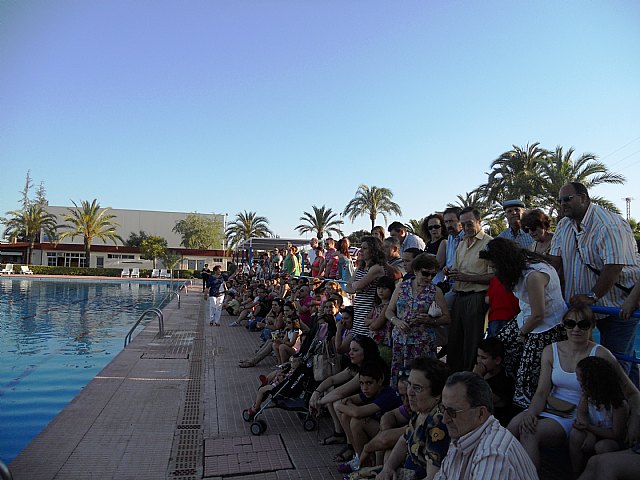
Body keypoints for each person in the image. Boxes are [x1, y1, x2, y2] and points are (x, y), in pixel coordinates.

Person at [507, 306, 640, 471]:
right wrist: (531, 413)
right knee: (513, 426)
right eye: (570, 324)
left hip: (577, 414)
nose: (576, 329)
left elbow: (631, 392)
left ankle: (529, 475)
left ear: (592, 326)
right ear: (564, 325)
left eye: (583, 324)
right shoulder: (551, 350)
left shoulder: (601, 354)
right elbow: (542, 391)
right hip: (551, 406)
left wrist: (635, 419)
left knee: (529, 433)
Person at [549, 181, 640, 385]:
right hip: (585, 308)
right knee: (621, 360)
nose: (562, 204)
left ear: (583, 198)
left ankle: (617, 402)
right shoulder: (564, 225)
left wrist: (591, 296)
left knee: (614, 364)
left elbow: (614, 267)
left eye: (567, 199)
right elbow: (555, 262)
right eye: (559, 201)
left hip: (617, 305)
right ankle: (633, 398)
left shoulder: (609, 224)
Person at [479, 237, 567, 408]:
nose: (493, 271)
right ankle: (496, 390)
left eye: (495, 267)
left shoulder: (533, 276)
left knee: (526, 374)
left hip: (545, 327)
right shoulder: (521, 267)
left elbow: (538, 315)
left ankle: (523, 407)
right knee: (495, 347)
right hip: (527, 318)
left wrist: (522, 334)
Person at [435, 372, 538, 479]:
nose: (444, 419)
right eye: (443, 409)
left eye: (452, 412)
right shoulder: (461, 437)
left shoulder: (493, 453)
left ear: (481, 414)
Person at [376, 358, 451, 480]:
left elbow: (432, 477)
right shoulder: (421, 411)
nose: (409, 392)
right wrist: (388, 467)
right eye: (409, 384)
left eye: (417, 388)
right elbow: (404, 440)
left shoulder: (437, 424)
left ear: (437, 394)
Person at [311, 336, 384, 459]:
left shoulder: (370, 369)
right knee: (330, 392)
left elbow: (341, 392)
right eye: (350, 349)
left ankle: (352, 447)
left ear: (366, 352)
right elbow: (332, 379)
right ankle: (339, 434)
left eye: (355, 350)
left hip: (374, 409)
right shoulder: (355, 365)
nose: (350, 353)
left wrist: (317, 402)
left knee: (338, 403)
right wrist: (316, 392)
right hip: (364, 401)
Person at [386, 253, 450, 386]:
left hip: (422, 344)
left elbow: (447, 318)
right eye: (426, 273)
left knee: (422, 380)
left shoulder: (435, 291)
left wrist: (431, 321)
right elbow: (389, 311)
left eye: (433, 275)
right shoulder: (402, 286)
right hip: (401, 342)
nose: (429, 278)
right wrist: (397, 321)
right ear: (416, 270)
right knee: (401, 379)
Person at [446, 207, 493, 372]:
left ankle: (470, 377)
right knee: (455, 341)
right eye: (463, 224)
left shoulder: (489, 244)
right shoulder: (461, 244)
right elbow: (456, 270)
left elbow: (494, 276)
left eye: (469, 224)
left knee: (472, 342)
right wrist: (449, 272)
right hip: (459, 295)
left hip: (477, 297)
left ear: (479, 222)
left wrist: (468, 277)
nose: (466, 228)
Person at [335, 362, 402, 474]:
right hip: (378, 429)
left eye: (369, 383)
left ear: (380, 381)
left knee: (356, 422)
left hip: (391, 433)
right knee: (346, 415)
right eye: (361, 384)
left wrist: (345, 407)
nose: (364, 388)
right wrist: (349, 407)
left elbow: (356, 412)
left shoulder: (387, 395)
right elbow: (347, 401)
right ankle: (358, 458)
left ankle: (364, 464)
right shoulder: (369, 392)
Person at [570, 356, 628, 477]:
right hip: (595, 432)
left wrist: (589, 428)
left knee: (602, 446)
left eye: (580, 380)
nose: (577, 381)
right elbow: (581, 414)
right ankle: (576, 472)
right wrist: (589, 434)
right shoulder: (587, 397)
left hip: (613, 440)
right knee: (575, 435)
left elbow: (616, 434)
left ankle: (601, 473)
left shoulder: (618, 404)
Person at [345, 236, 386, 337]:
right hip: (358, 309)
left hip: (369, 309)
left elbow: (358, 285)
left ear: (373, 250)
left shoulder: (376, 268)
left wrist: (356, 285)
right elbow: (348, 287)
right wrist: (356, 286)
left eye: (365, 248)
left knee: (364, 339)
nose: (361, 251)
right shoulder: (361, 267)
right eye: (361, 248)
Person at [473, 337, 515, 427]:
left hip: (495, 423)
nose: (479, 361)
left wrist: (476, 377)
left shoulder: (504, 381)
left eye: (484, 358)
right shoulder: (482, 372)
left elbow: (482, 400)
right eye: (478, 356)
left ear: (497, 360)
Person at [364, 275, 395, 365]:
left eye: (384, 288)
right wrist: (374, 321)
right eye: (379, 288)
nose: (381, 291)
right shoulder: (376, 305)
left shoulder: (388, 306)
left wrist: (372, 322)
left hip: (384, 343)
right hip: (373, 342)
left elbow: (376, 325)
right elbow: (365, 320)